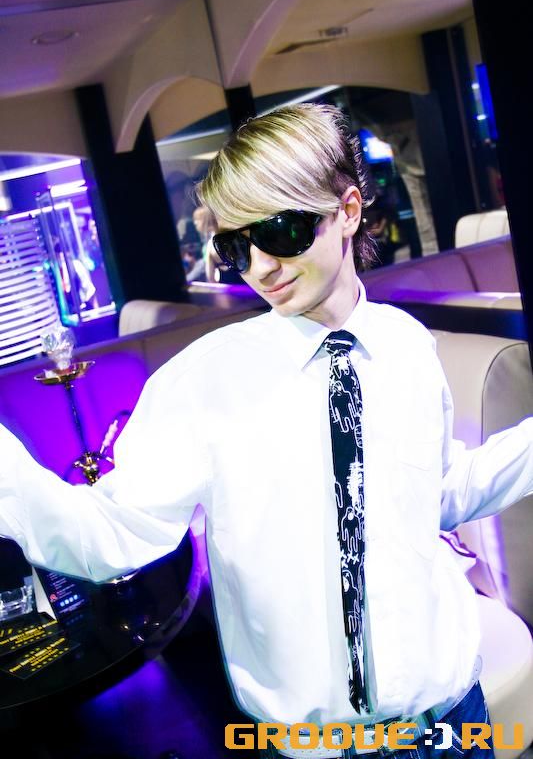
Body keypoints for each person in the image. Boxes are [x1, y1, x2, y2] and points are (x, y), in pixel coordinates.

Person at [1, 104, 532, 759]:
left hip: (455, 717)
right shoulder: (203, 381)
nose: (258, 267)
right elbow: (113, 535)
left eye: (281, 231)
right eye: (234, 246)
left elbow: (438, 491)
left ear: (347, 210)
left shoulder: (406, 345)